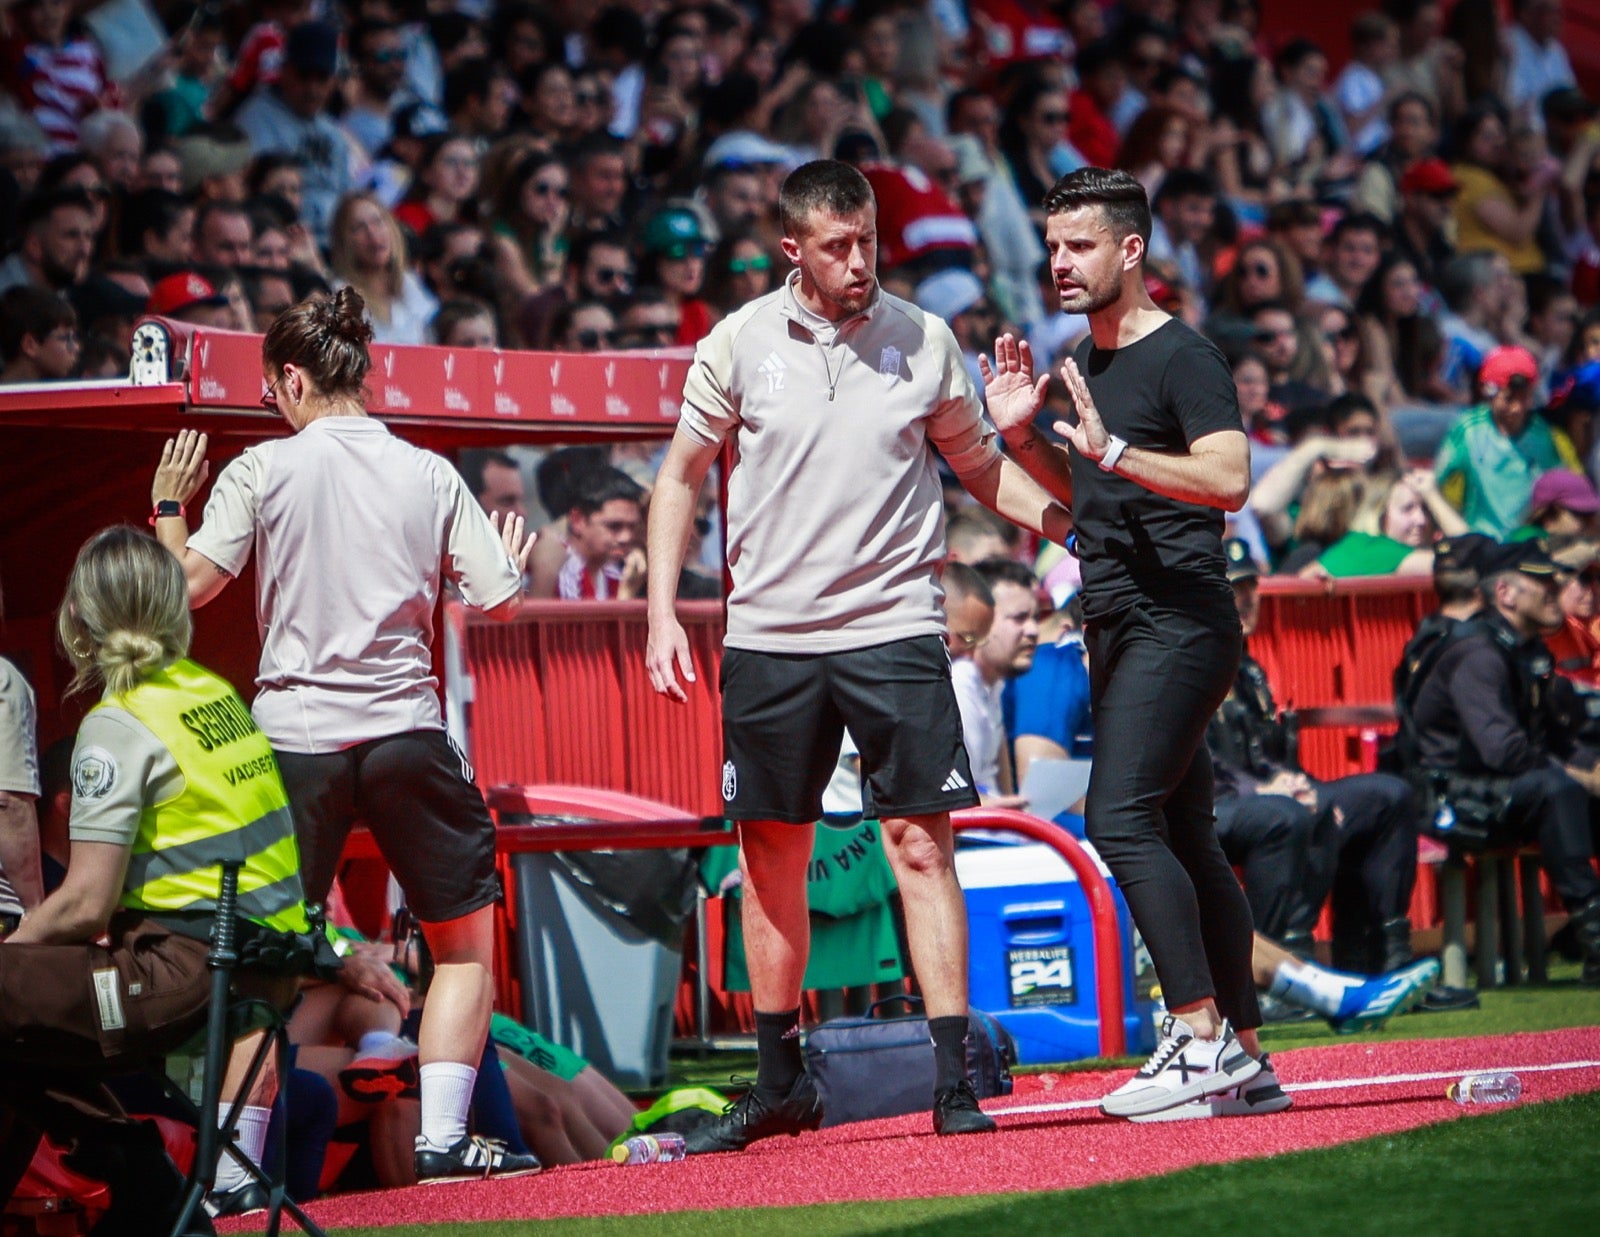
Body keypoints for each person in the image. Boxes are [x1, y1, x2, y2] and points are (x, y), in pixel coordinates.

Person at [646, 158, 1072, 1147]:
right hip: (769, 637)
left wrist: (1070, 525)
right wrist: (663, 612)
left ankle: (953, 1078)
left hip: (892, 624)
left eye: (868, 241)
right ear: (791, 248)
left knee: (922, 845)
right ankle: (776, 1080)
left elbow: (977, 469)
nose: (859, 263)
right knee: (771, 857)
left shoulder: (923, 338)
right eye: (837, 247)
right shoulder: (739, 340)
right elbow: (678, 479)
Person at [146, 287, 541, 1182]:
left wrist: (169, 506)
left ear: (291, 376)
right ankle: (444, 1137)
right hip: (406, 730)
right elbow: (501, 597)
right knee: (463, 948)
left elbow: (184, 592)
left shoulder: (261, 469)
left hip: (293, 740)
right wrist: (508, 559)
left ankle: (235, 1169)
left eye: (269, 390)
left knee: (261, 964)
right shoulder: (429, 471)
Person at [981, 166, 1267, 1120]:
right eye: (1054, 246)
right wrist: (1024, 439)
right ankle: (1246, 1051)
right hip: (1119, 617)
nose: (1059, 263)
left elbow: (1230, 477)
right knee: (1186, 832)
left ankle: (1193, 1035)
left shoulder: (1182, 354)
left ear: (1130, 249)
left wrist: (1114, 454)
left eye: (1080, 246)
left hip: (1179, 617)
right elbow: (1091, 500)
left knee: (1120, 819)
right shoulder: (1082, 358)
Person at [0, 527, 326, 1232]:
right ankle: (141, 1179)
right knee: (26, 1031)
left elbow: (87, 903)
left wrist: (16, 944)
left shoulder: (118, 723)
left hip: (185, 971)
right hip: (260, 972)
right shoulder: (213, 696)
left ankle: (141, 1175)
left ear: (80, 620)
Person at [1211, 538, 1424, 975]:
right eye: (1235, 588)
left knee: (1389, 796)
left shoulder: (1248, 668)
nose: (1248, 598)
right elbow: (1200, 760)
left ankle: (1382, 957)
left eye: (1252, 586)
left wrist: (1292, 780)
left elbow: (1264, 754)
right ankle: (1287, 966)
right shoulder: (1195, 665)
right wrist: (1266, 788)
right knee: (1297, 812)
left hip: (1266, 797)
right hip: (1215, 806)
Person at [1408, 539, 1600, 984]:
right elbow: (1502, 751)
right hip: (1453, 799)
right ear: (1506, 594)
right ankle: (1594, 937)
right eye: (1544, 584)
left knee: (1572, 786)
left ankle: (1578, 932)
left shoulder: (1526, 650)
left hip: (1500, 790)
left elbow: (1555, 739)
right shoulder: (1477, 652)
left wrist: (1592, 768)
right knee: (1559, 790)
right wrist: (1580, 777)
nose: (1558, 591)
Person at [1435, 345, 1581, 539]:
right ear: (1487, 390)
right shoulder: (1468, 429)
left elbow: (1567, 488)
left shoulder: (1544, 434)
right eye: (1509, 398)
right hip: (1481, 544)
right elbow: (1436, 480)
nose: (1516, 408)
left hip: (1529, 543)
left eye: (1525, 398)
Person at [951, 558, 1040, 808]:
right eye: (1019, 618)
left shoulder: (993, 685)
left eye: (1035, 617)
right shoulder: (959, 682)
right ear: (983, 621)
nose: (1033, 630)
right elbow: (951, 801)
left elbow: (1000, 788)